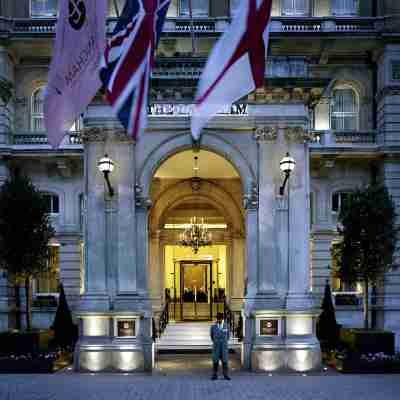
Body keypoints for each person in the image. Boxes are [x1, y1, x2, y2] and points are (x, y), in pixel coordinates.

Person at [210, 312, 231, 380]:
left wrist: (223, 342)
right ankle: (214, 374)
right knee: (215, 362)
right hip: (216, 347)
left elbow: (228, 336)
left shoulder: (227, 326)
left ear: (223, 319)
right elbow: (212, 336)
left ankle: (225, 374)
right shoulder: (213, 326)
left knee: (225, 361)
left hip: (224, 347)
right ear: (217, 319)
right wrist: (217, 342)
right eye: (218, 319)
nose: (219, 320)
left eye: (221, 319)